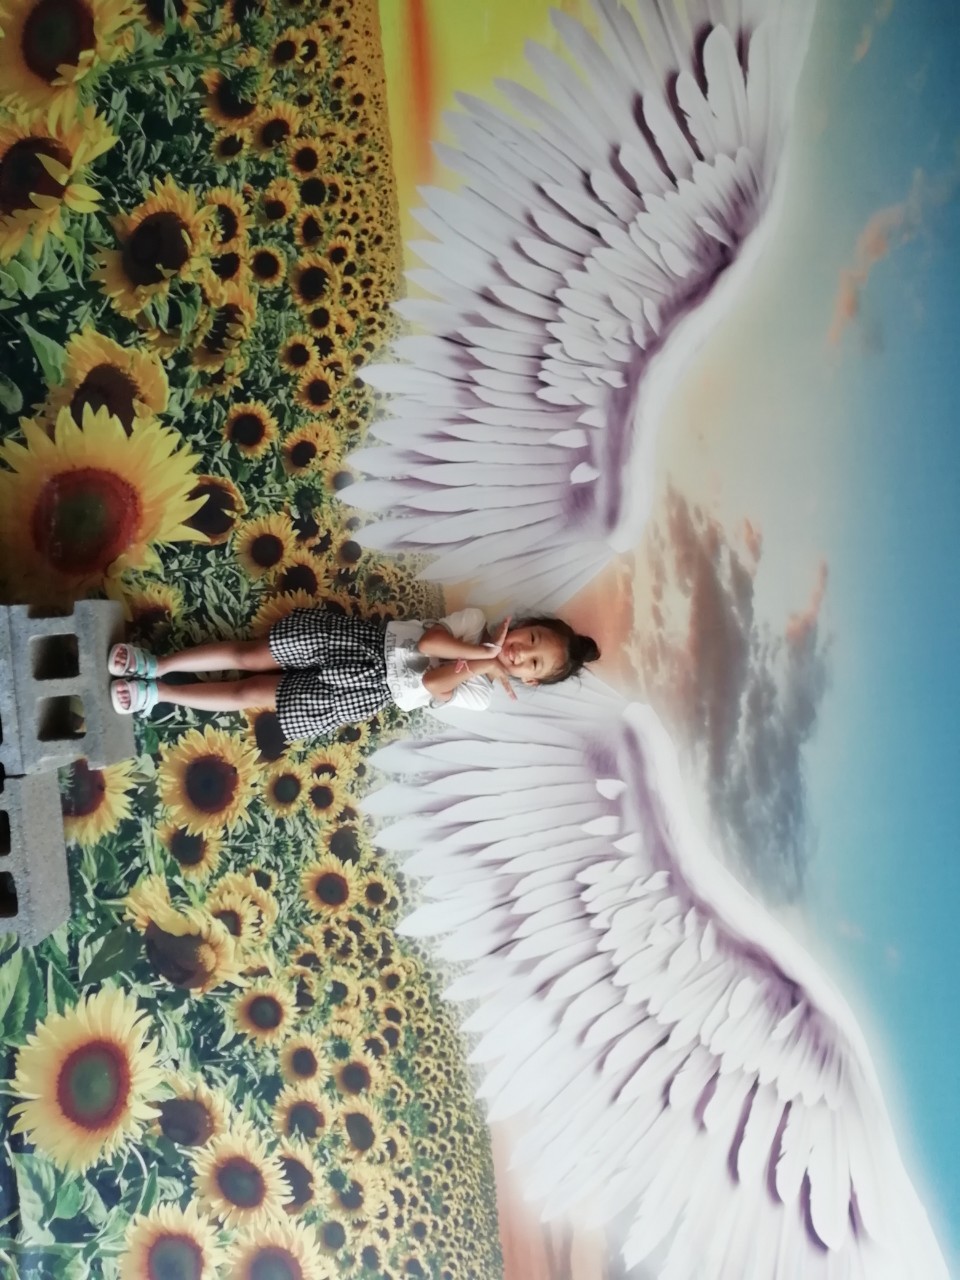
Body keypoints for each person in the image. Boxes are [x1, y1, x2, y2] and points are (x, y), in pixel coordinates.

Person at [108, 606, 601, 744]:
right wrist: (482, 651)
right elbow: (429, 646)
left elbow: (431, 684)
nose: (521, 652)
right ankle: (157, 664)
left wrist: (487, 665)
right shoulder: (474, 622)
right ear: (524, 624)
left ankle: (159, 694)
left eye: (532, 663)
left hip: (362, 692)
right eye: (531, 639)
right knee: (250, 654)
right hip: (355, 643)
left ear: (530, 681)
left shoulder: (480, 697)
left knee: (250, 693)